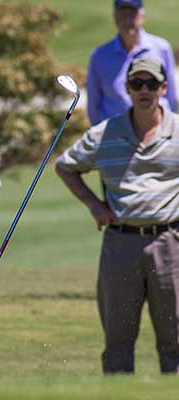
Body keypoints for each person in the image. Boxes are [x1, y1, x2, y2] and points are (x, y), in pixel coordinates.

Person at [56, 55, 179, 374]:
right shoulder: (103, 134)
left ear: (164, 88)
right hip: (120, 243)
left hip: (171, 242)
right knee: (118, 342)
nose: (145, 89)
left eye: (151, 83)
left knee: (176, 341)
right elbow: (66, 166)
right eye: (137, 83)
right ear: (127, 88)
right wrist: (95, 205)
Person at [86, 0, 176, 125]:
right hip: (114, 134)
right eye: (123, 14)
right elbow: (93, 105)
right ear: (115, 17)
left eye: (132, 14)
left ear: (142, 16)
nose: (128, 20)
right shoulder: (99, 56)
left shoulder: (161, 48)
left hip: (157, 131)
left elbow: (171, 98)